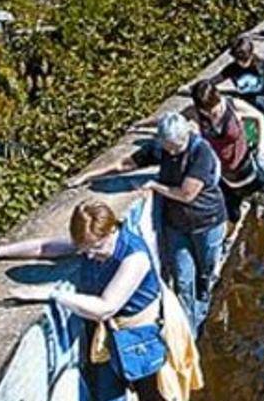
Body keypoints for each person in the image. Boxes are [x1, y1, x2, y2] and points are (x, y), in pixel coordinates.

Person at [0, 199, 166, 401]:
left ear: (112, 231)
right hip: (107, 340)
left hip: (138, 335)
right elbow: (45, 247)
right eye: (84, 250)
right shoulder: (91, 240)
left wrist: (53, 294)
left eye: (96, 248)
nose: (90, 256)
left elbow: (105, 307)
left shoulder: (134, 256)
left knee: (149, 396)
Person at [67, 113, 227, 336]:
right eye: (167, 147)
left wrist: (154, 184)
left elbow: (186, 194)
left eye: (175, 147)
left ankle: (205, 302)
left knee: (206, 272)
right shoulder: (160, 147)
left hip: (207, 222)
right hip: (178, 226)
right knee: (182, 278)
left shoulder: (201, 153)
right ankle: (189, 332)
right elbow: (125, 164)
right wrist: (88, 176)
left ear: (186, 137)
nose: (170, 152)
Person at [190, 80, 264, 223]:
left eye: (213, 110)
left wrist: (261, 146)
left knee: (260, 198)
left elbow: (259, 117)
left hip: (244, 165)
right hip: (224, 174)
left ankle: (259, 212)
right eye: (205, 111)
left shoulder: (233, 106)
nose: (210, 114)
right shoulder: (198, 116)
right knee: (232, 214)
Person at [210, 35, 264, 122]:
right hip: (246, 103)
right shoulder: (233, 68)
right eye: (237, 60)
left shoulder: (261, 65)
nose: (240, 63)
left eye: (244, 60)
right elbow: (217, 79)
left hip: (261, 102)